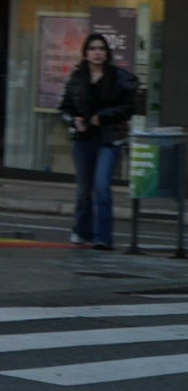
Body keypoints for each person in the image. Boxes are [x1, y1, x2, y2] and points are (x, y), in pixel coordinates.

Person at [59, 32, 140, 250]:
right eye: (93, 49)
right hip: (84, 139)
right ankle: (83, 231)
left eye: (101, 49)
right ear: (85, 53)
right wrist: (73, 120)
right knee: (84, 190)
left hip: (109, 138)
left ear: (107, 53)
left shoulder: (118, 78)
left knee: (102, 186)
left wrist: (102, 116)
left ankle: (103, 237)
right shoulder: (77, 78)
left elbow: (129, 108)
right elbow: (65, 108)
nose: (97, 52)